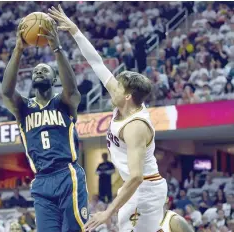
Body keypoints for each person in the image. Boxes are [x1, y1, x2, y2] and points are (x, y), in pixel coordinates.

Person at [49, 5, 168, 232]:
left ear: (127, 96)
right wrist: (75, 31)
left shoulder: (136, 127)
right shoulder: (124, 100)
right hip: (132, 188)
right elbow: (97, 63)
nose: (110, 87)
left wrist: (107, 212)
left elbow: (136, 176)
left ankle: (168, 225)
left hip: (145, 189)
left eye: (117, 87)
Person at [1, 18, 87, 231]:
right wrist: (18, 50)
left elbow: (73, 91)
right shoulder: (23, 108)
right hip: (41, 180)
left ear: (55, 78)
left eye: (44, 70)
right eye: (35, 71)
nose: (39, 72)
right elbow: (6, 92)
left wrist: (56, 48)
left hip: (67, 174)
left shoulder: (63, 102)